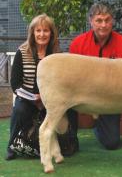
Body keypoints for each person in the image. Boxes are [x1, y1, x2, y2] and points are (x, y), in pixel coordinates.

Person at [5, 14, 78, 160]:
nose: (42, 34)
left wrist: (47, 97)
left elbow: (63, 82)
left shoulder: (57, 54)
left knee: (72, 108)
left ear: (51, 33)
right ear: (32, 32)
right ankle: (12, 146)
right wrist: (33, 98)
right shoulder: (22, 51)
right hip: (27, 98)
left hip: (52, 99)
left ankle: (71, 142)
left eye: (46, 30)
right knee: (20, 109)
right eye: (38, 30)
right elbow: (15, 83)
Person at [69, 2, 122, 150]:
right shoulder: (77, 43)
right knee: (65, 102)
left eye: (107, 20)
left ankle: (98, 126)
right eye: (99, 20)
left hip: (110, 98)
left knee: (111, 143)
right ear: (91, 21)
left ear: (112, 21)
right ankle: (69, 138)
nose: (103, 25)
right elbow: (72, 76)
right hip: (81, 95)